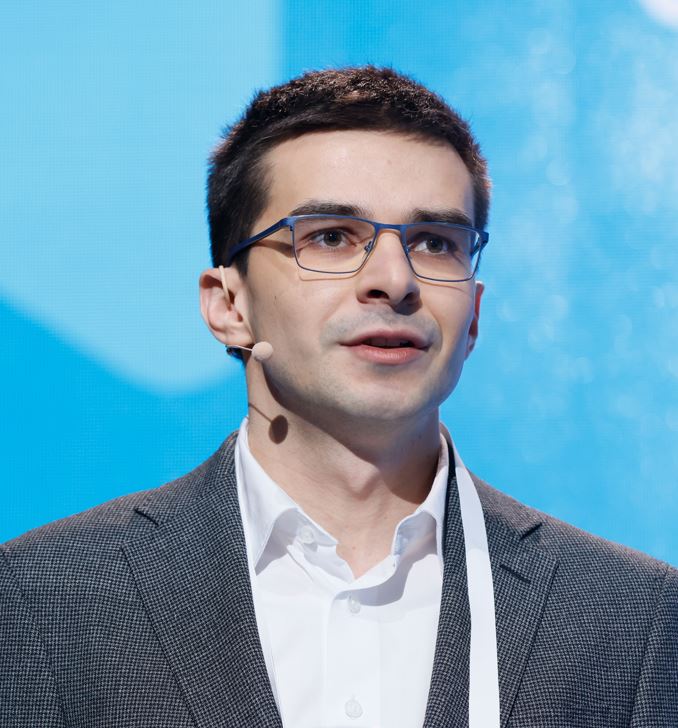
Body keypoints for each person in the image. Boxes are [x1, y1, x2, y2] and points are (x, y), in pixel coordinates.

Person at [1, 66, 676, 728]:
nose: (395, 280)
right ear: (229, 305)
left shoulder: (631, 616)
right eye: (330, 237)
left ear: (472, 315)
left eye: (435, 243)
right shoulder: (43, 598)